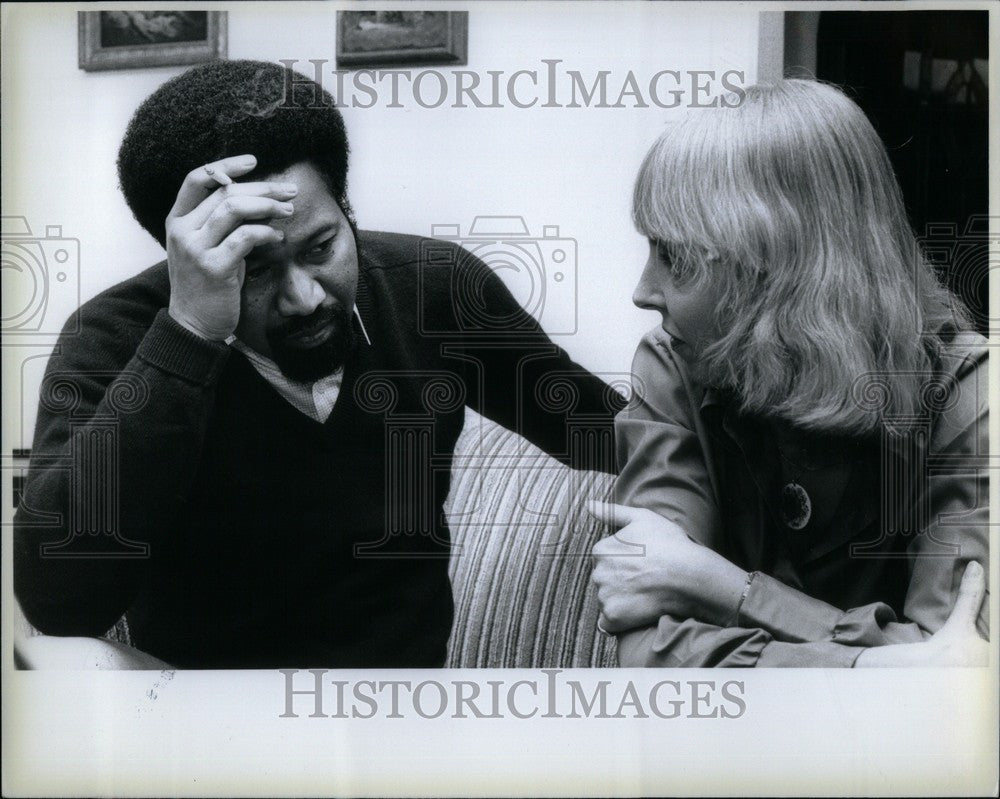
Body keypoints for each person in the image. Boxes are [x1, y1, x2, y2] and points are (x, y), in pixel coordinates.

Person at [13, 60, 623, 669]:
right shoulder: (114, 336)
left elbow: (611, 436)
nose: (304, 297)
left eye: (322, 247)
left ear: (347, 209)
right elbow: (60, 606)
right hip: (206, 723)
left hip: (399, 712)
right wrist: (190, 334)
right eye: (255, 268)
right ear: (186, 256)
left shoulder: (434, 290)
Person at [589, 80, 989, 667]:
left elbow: (959, 674)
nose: (642, 292)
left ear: (779, 266)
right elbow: (649, 651)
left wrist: (723, 587)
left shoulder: (972, 392)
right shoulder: (675, 362)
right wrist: (874, 664)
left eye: (673, 255)